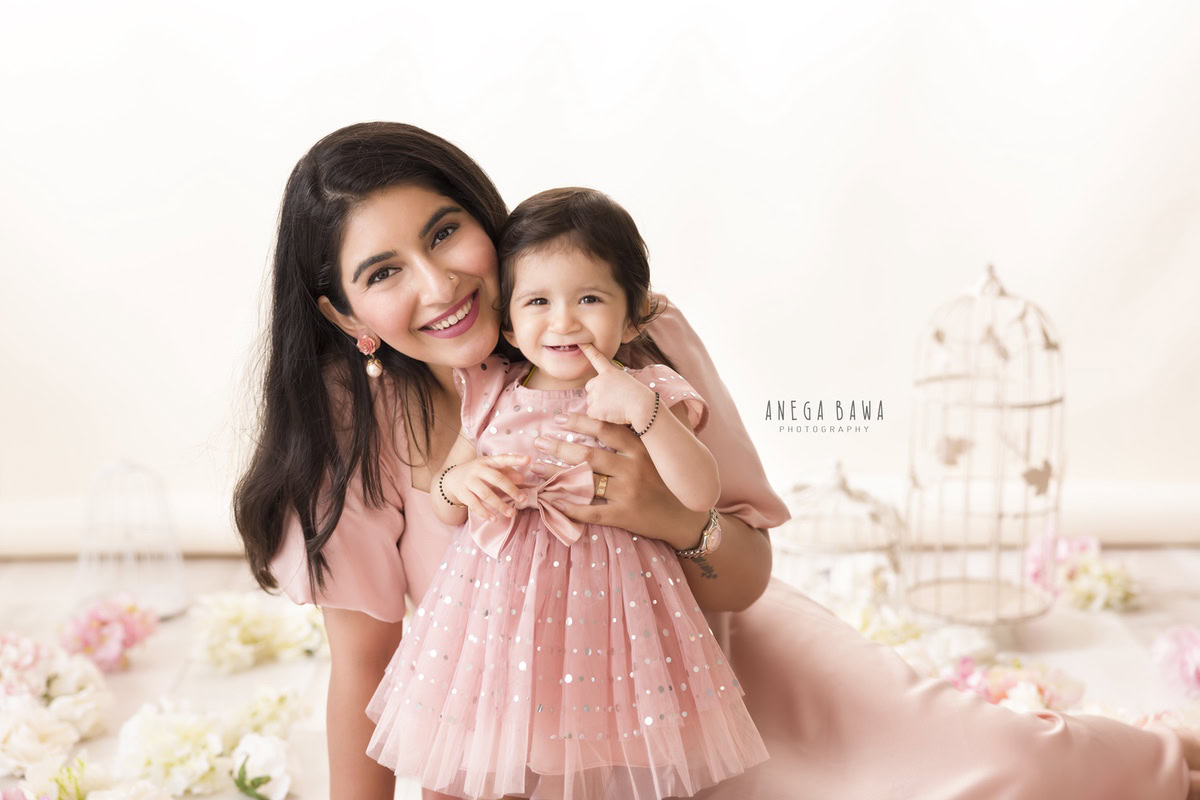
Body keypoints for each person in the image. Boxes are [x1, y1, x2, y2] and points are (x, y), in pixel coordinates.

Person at [234, 121, 1200, 800]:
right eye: (383, 272)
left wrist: (663, 512)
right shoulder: (346, 430)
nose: (441, 283)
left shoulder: (623, 335)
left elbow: (744, 574)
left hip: (723, 674)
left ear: (488, 219)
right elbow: (365, 669)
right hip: (553, 747)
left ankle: (1161, 752)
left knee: (1018, 773)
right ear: (342, 314)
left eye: (446, 232)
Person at [364, 187, 768, 799]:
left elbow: (698, 491)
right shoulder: (492, 389)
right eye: (538, 301)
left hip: (612, 617)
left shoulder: (646, 388)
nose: (564, 320)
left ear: (632, 316)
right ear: (507, 319)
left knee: (601, 767)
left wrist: (650, 414)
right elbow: (445, 499)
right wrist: (462, 481)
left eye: (589, 298)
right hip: (496, 618)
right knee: (475, 762)